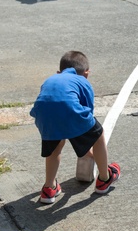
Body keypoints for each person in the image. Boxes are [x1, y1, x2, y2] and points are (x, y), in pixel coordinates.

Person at [30, 50, 120, 203]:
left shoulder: (51, 79)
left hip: (43, 116)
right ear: (86, 73)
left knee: (55, 147)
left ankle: (49, 188)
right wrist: (84, 146)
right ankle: (105, 178)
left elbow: (50, 101)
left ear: (59, 72)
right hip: (71, 112)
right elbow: (87, 115)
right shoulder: (83, 81)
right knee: (98, 135)